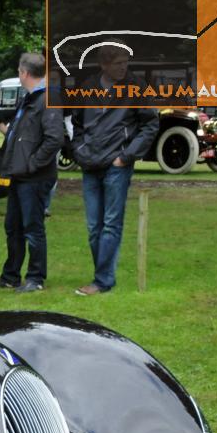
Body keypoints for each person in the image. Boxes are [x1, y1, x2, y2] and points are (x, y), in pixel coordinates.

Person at [69, 48, 158, 295]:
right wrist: (80, 150)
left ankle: (102, 281)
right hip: (90, 164)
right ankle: (102, 276)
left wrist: (126, 157)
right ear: (103, 64)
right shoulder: (87, 86)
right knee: (93, 227)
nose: (123, 67)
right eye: (118, 63)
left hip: (117, 165)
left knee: (110, 224)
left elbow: (150, 125)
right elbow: (76, 123)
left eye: (126, 62)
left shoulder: (137, 86)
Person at [0, 53, 63, 294]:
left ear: (24, 73)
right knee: (13, 226)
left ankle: (36, 277)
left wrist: (32, 164)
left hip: (34, 177)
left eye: (19, 71)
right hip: (19, 175)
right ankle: (10, 276)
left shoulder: (47, 99)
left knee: (33, 227)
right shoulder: (31, 98)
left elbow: (54, 139)